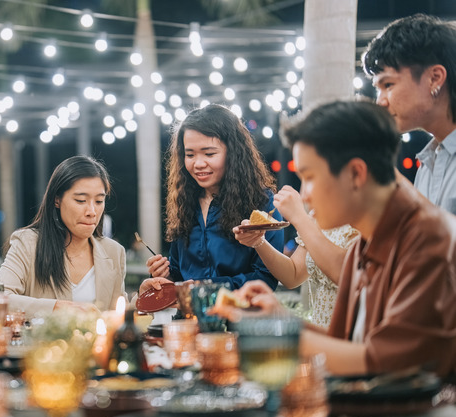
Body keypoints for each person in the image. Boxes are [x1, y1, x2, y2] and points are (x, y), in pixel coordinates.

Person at [214, 100, 456, 378]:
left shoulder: (428, 239)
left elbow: (393, 364)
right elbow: (348, 342)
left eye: (309, 177)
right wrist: (278, 318)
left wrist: (283, 336)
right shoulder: (367, 243)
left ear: (355, 173)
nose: (304, 194)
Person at [146, 104, 284, 290]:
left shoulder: (261, 201)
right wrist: (165, 274)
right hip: (189, 317)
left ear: (233, 153)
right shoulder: (184, 201)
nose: (198, 163)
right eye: (190, 154)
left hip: (241, 315)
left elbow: (266, 277)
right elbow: (180, 275)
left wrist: (204, 287)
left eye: (209, 153)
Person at [0, 156, 127, 316]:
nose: (92, 211)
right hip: (42, 342)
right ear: (57, 200)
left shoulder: (113, 252)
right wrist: (59, 308)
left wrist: (148, 298)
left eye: (99, 201)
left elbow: (119, 316)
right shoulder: (28, 243)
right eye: (81, 200)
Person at [363, 13, 456, 214]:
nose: (381, 101)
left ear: (434, 78)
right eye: (378, 89)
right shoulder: (428, 161)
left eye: (388, 85)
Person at [233, 185, 359, 327]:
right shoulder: (320, 214)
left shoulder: (366, 216)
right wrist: (258, 242)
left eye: (310, 176)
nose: (304, 194)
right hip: (321, 334)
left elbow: (346, 273)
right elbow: (293, 275)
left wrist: (299, 217)